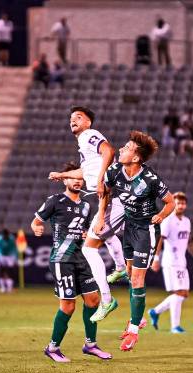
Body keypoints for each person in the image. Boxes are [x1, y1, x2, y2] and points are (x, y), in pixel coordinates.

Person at [48, 106, 129, 323]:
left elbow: (109, 151)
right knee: (107, 235)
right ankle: (121, 268)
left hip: (113, 197)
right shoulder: (83, 143)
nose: (73, 120)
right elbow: (85, 172)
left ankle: (107, 299)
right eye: (71, 118)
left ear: (88, 123)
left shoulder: (90, 135)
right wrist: (62, 174)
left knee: (89, 248)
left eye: (79, 117)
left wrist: (102, 178)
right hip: (115, 197)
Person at [96, 131, 174, 351]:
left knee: (138, 279)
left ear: (137, 158)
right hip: (129, 228)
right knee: (131, 276)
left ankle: (133, 331)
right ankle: (138, 317)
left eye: (127, 148)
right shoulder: (114, 171)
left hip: (146, 231)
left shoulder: (150, 179)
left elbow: (170, 202)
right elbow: (106, 192)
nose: (122, 149)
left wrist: (161, 216)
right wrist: (101, 216)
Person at [33, 161, 112, 362]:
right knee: (68, 306)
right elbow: (36, 221)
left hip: (80, 257)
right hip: (62, 259)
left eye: (79, 178)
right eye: (72, 178)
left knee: (93, 301)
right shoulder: (55, 201)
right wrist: (36, 228)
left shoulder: (86, 206)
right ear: (64, 180)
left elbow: (83, 231)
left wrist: (87, 234)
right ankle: (52, 348)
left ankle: (90, 344)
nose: (77, 182)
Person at [148, 192, 193, 334]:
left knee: (184, 293)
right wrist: (156, 258)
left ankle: (155, 311)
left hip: (182, 261)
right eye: (178, 203)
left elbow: (189, 240)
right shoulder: (168, 221)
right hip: (171, 261)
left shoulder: (186, 221)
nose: (181, 206)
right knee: (179, 292)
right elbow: (160, 239)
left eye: (183, 203)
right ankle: (175, 326)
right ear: (174, 205)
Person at [0, 229, 18, 293]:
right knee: (0, 271)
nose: (4, 236)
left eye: (5, 235)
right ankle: (2, 287)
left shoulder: (12, 240)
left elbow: (14, 249)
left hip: (10, 256)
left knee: (9, 271)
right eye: (3, 235)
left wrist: (15, 257)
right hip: (2, 256)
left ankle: (10, 287)